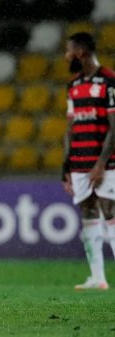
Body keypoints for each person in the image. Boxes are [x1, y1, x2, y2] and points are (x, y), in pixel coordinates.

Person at [62, 32, 115, 290]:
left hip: (106, 164)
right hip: (79, 164)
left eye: (68, 50)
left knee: (112, 214)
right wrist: (66, 167)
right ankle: (97, 277)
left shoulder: (109, 80)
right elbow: (70, 129)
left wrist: (101, 164)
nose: (66, 56)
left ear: (80, 52)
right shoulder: (72, 85)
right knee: (89, 216)